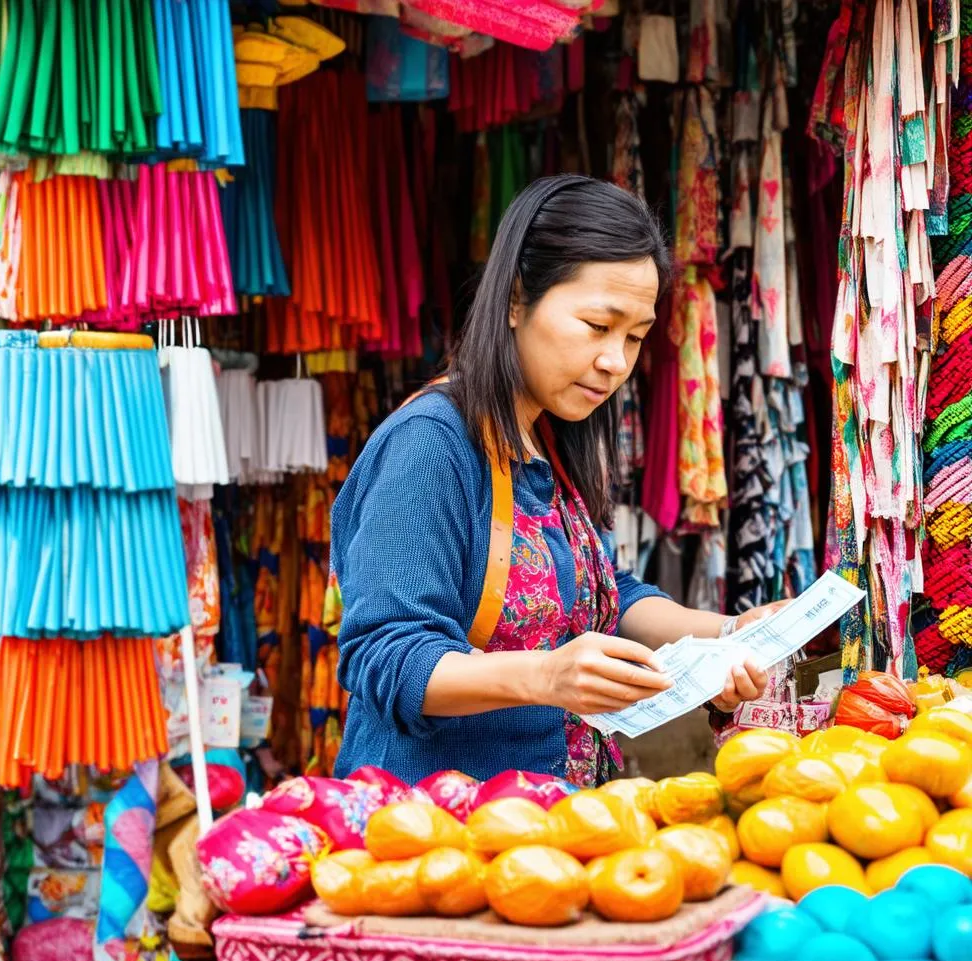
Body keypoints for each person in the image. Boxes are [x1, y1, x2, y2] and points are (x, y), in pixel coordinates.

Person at [329, 175, 780, 786]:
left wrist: (728, 633)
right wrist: (547, 676)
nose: (615, 361)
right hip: (441, 837)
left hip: (556, 831)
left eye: (636, 337)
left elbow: (600, 593)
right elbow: (386, 655)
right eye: (598, 325)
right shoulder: (431, 444)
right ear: (517, 300)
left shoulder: (547, 435)